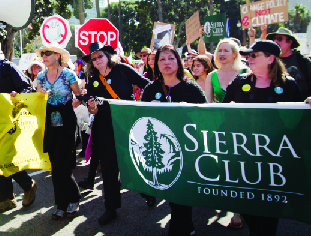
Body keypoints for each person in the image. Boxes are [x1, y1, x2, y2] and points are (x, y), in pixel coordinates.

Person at [223, 40, 306, 236]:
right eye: (248, 55)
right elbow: (222, 112)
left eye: (254, 55)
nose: (248, 58)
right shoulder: (240, 82)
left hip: (273, 161)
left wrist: (307, 104)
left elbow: (299, 119)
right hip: (243, 157)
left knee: (268, 216)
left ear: (270, 58)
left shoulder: (288, 85)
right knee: (245, 205)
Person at [141, 45, 207, 236]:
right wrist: (148, 109)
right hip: (160, 150)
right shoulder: (151, 89)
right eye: (162, 59)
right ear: (156, 64)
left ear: (178, 62)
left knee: (181, 194)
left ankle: (181, 227)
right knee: (170, 191)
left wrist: (188, 110)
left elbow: (205, 116)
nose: (166, 63)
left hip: (186, 148)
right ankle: (186, 226)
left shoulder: (191, 88)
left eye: (171, 58)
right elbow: (140, 119)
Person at [84, 42, 150, 225]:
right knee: (109, 167)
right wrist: (91, 108)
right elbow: (92, 108)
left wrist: (141, 108)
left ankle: (147, 192)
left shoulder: (121, 69)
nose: (97, 60)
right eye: (94, 58)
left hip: (127, 122)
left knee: (132, 161)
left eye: (100, 56)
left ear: (107, 56)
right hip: (104, 125)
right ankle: (110, 208)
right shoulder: (93, 78)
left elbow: (147, 86)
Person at [0, 26, 37, 214]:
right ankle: (7, 199)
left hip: (12, 122)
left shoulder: (8, 67)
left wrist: (17, 94)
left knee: (4, 158)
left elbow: (28, 89)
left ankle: (28, 184)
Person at [35, 43, 82, 220]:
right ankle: (61, 204)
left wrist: (78, 101)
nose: (44, 57)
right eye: (42, 54)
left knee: (61, 166)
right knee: (55, 167)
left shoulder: (69, 74)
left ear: (57, 56)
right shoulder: (40, 76)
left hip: (67, 126)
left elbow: (79, 94)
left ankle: (74, 198)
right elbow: (36, 98)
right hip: (49, 127)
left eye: (47, 53)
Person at [266, 27, 311, 98]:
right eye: (274, 39)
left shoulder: (302, 61)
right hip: (278, 106)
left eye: (279, 38)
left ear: (289, 42)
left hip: (301, 106)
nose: (275, 42)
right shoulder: (271, 60)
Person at [205, 39, 249, 103]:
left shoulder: (246, 72)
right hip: (221, 112)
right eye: (219, 51)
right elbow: (208, 103)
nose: (222, 54)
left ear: (235, 54)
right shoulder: (211, 76)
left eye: (226, 51)